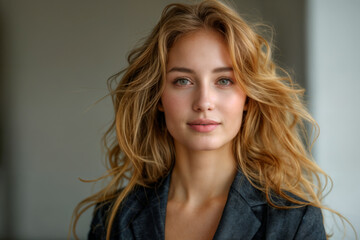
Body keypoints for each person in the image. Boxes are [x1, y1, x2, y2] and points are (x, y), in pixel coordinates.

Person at [70, 0, 345, 239]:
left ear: (247, 96)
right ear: (158, 97)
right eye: (183, 81)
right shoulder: (113, 218)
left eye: (224, 80)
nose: (203, 102)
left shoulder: (294, 220)